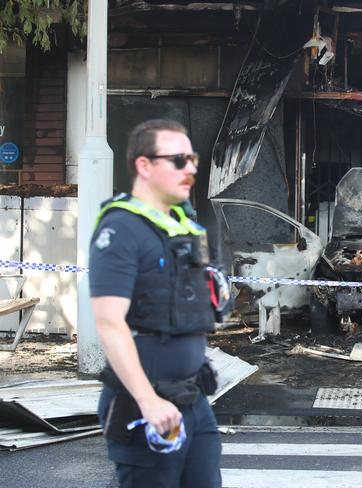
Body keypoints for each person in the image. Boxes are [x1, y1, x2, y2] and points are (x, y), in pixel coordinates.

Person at [89, 119, 222, 488]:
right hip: (146, 405)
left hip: (192, 399)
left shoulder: (184, 226)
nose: (191, 168)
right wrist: (147, 400)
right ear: (144, 166)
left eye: (192, 158)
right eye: (178, 160)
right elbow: (109, 323)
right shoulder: (120, 230)